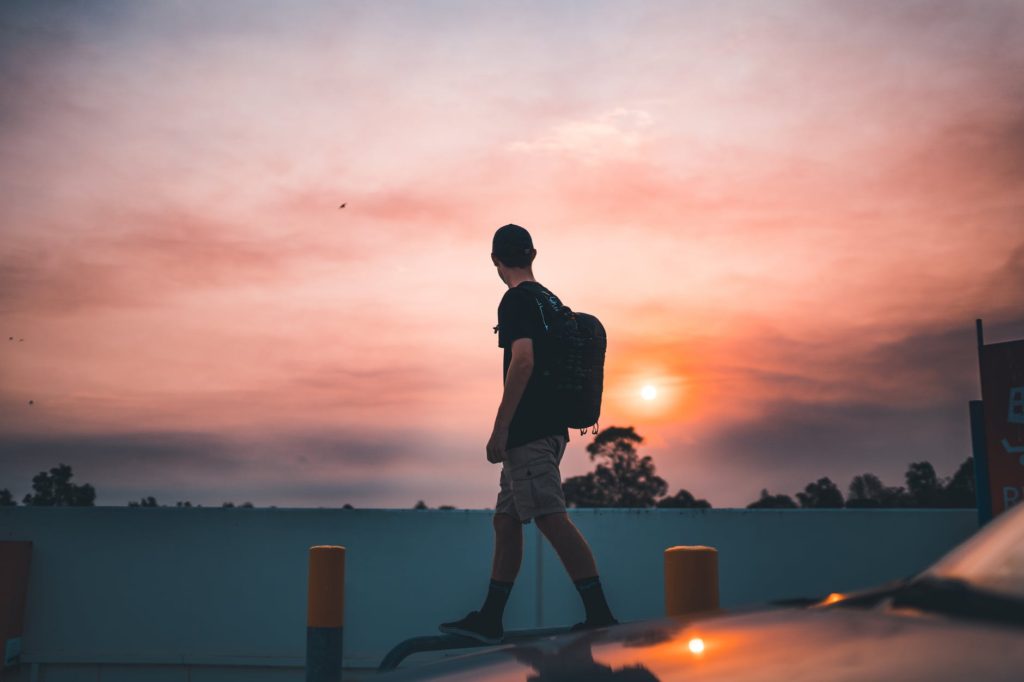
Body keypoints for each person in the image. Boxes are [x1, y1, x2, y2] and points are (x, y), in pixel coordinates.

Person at [439, 223, 618, 644]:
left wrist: (500, 428)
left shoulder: (516, 300)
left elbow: (523, 362)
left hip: (530, 432)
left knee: (550, 517)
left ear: (495, 261)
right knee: (506, 520)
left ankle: (600, 613)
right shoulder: (550, 301)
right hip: (550, 430)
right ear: (533, 254)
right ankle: (490, 617)